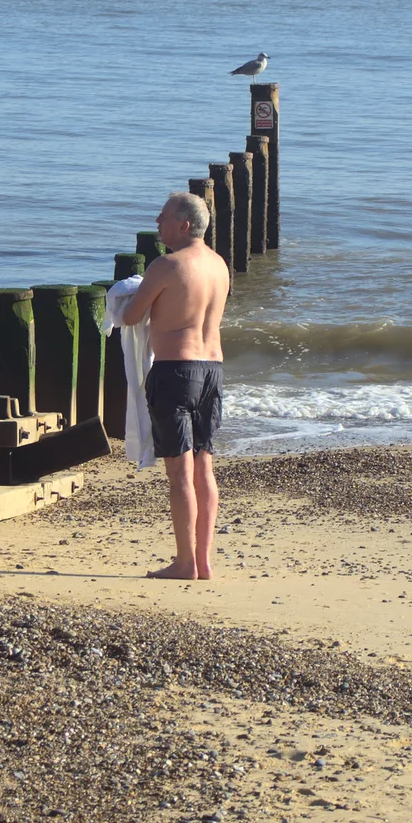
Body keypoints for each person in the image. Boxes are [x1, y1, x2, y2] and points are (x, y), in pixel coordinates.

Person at [118, 192, 231, 579]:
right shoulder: (220, 265)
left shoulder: (166, 265)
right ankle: (204, 560)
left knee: (180, 474)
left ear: (184, 225)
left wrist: (129, 293)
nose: (157, 221)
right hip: (212, 369)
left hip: (176, 372)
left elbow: (131, 317)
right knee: (204, 467)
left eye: (163, 216)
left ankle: (184, 563)